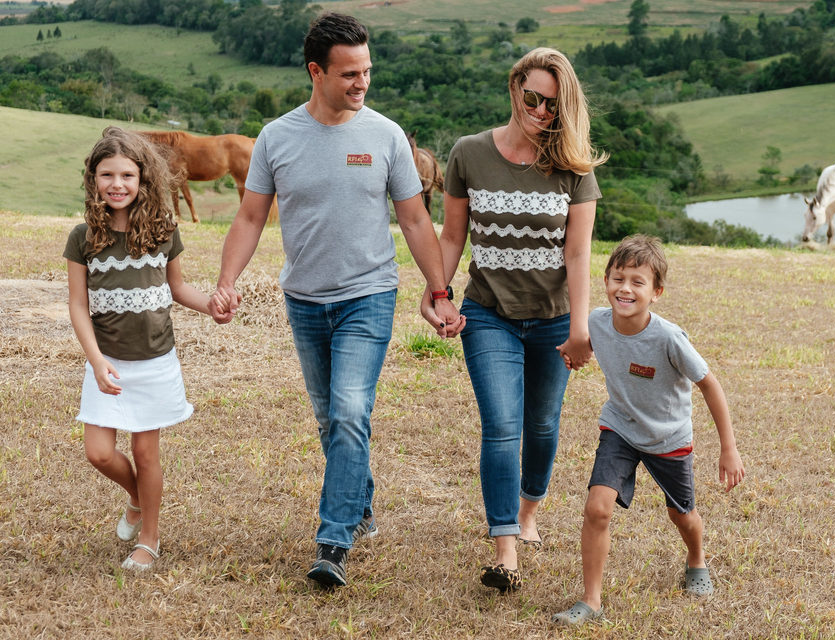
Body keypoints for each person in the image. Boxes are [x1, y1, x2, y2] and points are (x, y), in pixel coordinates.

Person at [208, 12, 462, 589]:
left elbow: (416, 219)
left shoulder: (385, 135)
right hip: (303, 299)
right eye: (349, 73)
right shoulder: (277, 137)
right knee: (332, 419)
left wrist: (440, 290)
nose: (361, 83)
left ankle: (334, 540)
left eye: (367, 71)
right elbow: (250, 218)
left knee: (350, 410)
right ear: (315, 71)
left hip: (368, 295)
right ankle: (360, 496)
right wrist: (227, 282)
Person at [428, 47, 606, 592]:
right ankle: (505, 547)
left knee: (544, 426)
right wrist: (438, 292)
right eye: (533, 98)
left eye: (554, 104)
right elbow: (454, 235)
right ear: (514, 89)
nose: (541, 111)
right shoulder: (470, 153)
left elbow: (578, 255)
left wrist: (581, 327)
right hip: (489, 314)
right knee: (502, 426)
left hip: (554, 320)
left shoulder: (573, 166)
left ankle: (530, 508)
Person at [552, 234, 746, 625]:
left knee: (681, 515)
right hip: (620, 428)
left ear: (656, 292)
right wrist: (574, 354)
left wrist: (729, 447)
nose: (625, 289)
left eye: (637, 282)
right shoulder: (596, 322)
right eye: (617, 278)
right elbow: (586, 346)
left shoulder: (669, 338)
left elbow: (709, 384)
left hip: (668, 437)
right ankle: (591, 602)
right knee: (597, 508)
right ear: (605, 280)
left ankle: (696, 559)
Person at [64, 126, 218, 572]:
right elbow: (77, 306)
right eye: (107, 174)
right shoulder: (83, 237)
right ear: (93, 178)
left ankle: (148, 539)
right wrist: (95, 362)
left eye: (127, 175)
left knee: (148, 453)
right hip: (107, 362)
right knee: (98, 452)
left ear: (143, 179)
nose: (117, 184)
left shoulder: (163, 230)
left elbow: (179, 288)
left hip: (154, 361)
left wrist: (212, 306)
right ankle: (135, 497)